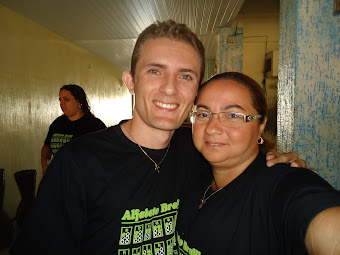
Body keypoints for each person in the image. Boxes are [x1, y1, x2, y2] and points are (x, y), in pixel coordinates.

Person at [11, 21, 306, 255]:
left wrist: (281, 164)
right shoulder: (78, 163)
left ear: (196, 91)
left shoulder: (202, 150)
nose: (169, 88)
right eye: (155, 71)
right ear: (130, 81)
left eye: (185, 76)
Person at [176, 72, 340, 255]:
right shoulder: (194, 169)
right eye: (203, 114)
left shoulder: (282, 184)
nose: (212, 128)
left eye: (233, 115)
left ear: (261, 125)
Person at [41, 84, 106, 175]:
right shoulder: (57, 123)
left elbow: (105, 154)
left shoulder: (95, 125)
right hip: (59, 177)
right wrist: (45, 166)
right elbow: (46, 147)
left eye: (66, 99)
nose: (61, 103)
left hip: (84, 179)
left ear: (79, 102)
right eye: (60, 100)